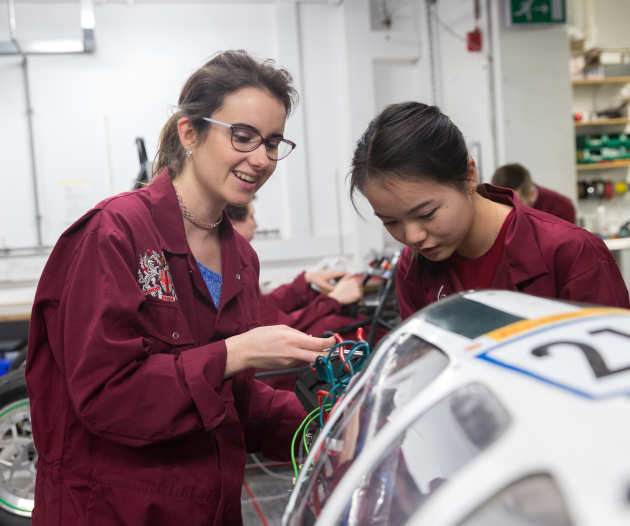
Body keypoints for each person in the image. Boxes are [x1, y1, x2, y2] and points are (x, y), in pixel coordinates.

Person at [25, 50, 335, 526]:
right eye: (244, 137)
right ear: (190, 133)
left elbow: (235, 402)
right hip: (111, 511)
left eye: (273, 143)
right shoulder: (114, 235)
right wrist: (236, 352)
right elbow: (107, 396)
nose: (261, 159)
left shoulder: (240, 259)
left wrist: (327, 421)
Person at [348, 102, 630, 320]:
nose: (412, 237)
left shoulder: (572, 254)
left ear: (469, 176)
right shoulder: (414, 267)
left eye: (427, 214)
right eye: (390, 221)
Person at [226, 202, 367, 390]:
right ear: (232, 224)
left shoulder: (240, 258)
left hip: (260, 366)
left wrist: (306, 281)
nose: (256, 224)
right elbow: (277, 330)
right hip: (263, 374)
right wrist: (333, 301)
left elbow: (266, 305)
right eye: (251, 217)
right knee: (339, 326)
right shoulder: (228, 265)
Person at [491, 162, 576, 223]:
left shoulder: (563, 208)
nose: (508, 211)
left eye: (514, 204)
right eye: (503, 204)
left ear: (531, 194)